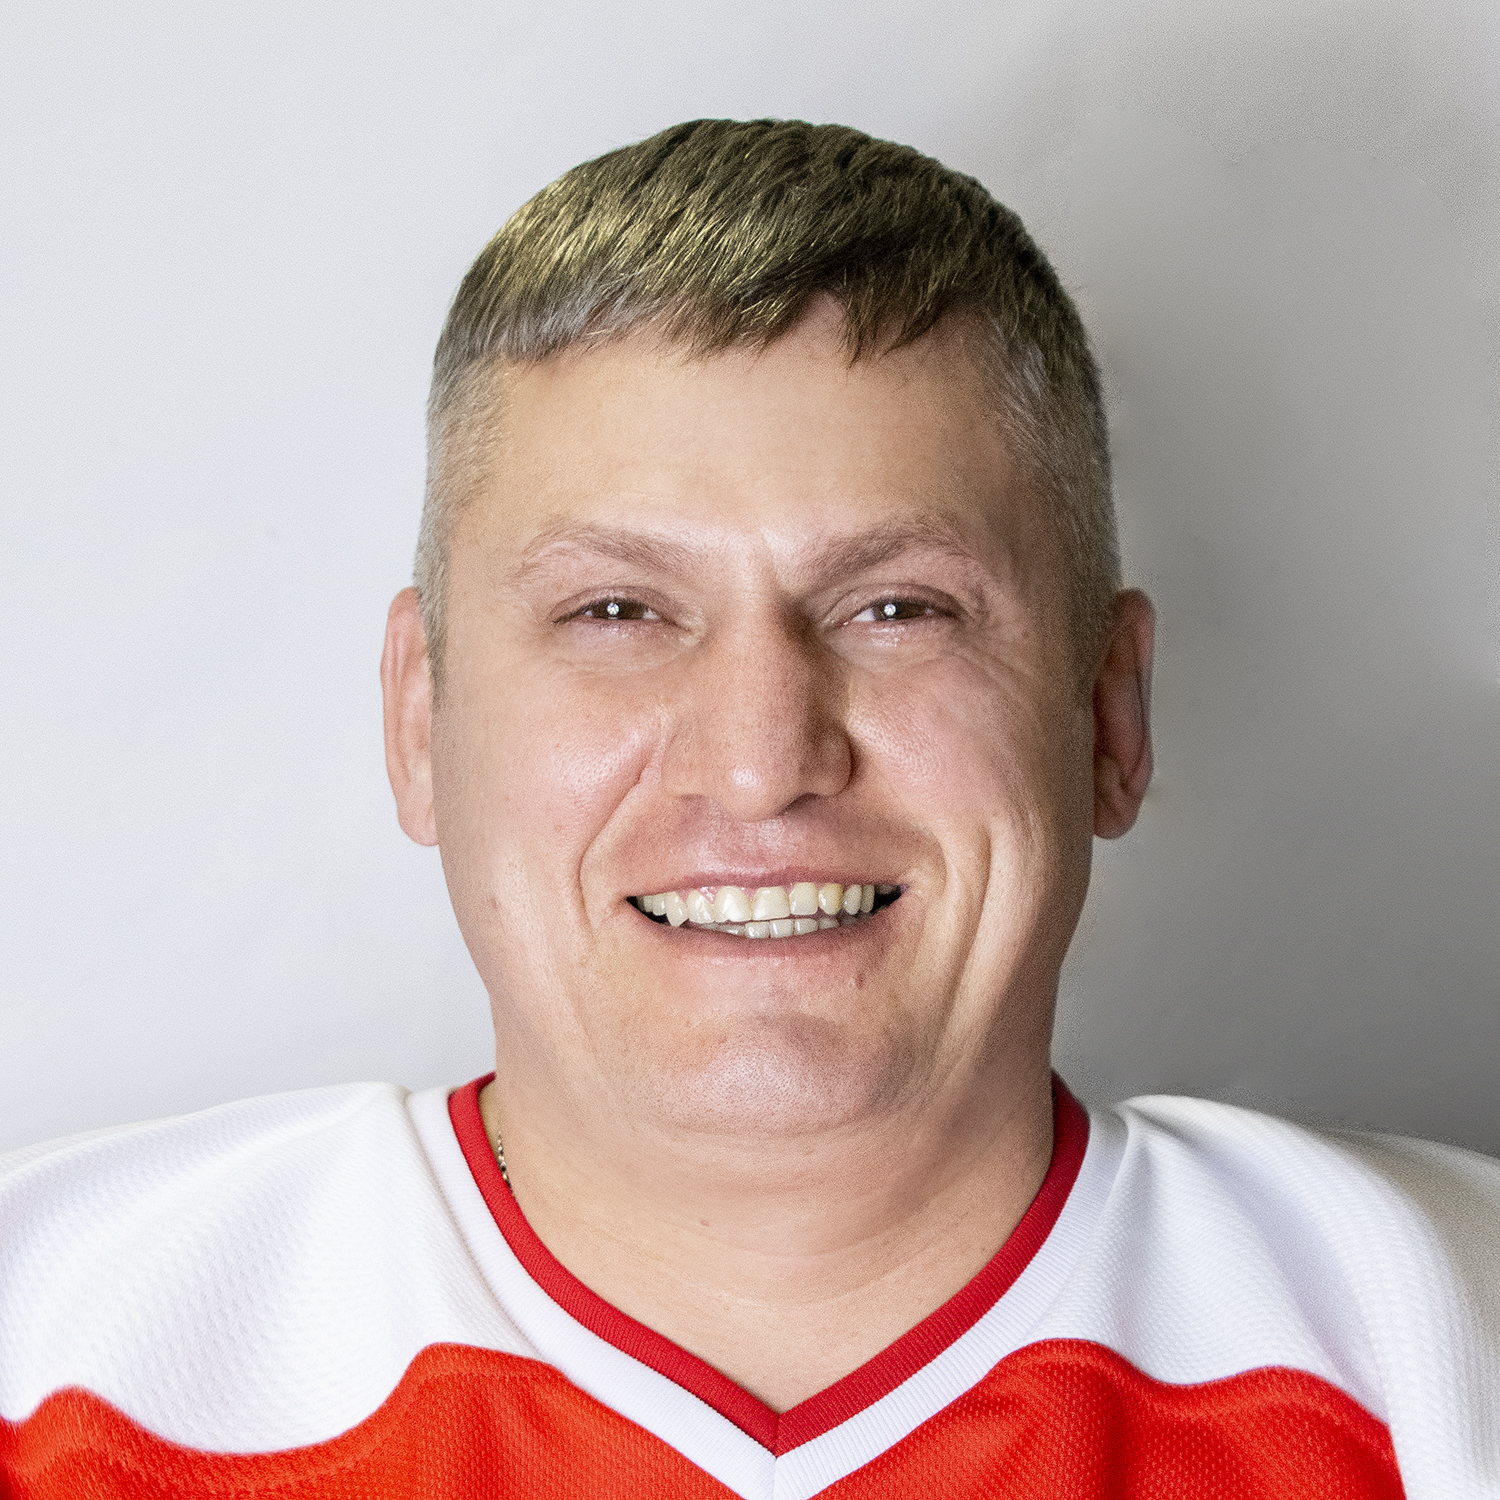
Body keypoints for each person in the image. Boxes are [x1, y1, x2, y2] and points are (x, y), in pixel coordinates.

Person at [0, 118, 1495, 1500]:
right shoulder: (46, 1354)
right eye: (617, 610)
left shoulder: (1445, 1342)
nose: (761, 760)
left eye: (897, 608)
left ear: (1109, 714)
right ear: (419, 722)